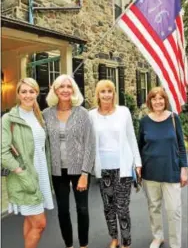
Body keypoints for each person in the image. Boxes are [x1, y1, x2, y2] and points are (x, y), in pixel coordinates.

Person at [43, 74, 95, 248]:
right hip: (57, 171)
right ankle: (69, 245)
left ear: (73, 89)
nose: (65, 90)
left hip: (79, 169)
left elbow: (90, 144)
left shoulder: (82, 113)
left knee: (82, 209)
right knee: (63, 211)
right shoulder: (46, 115)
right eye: (61, 86)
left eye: (68, 86)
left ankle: (83, 245)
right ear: (55, 90)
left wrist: (85, 173)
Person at [1, 78, 54, 248]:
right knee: (40, 223)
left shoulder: (38, 116)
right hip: (25, 177)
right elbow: (3, 152)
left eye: (31, 91)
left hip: (41, 175)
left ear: (37, 93)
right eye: (23, 91)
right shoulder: (9, 119)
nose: (27, 95)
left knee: (31, 221)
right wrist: (21, 173)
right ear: (18, 94)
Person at [89, 80, 142, 248]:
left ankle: (126, 242)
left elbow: (131, 137)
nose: (106, 94)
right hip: (103, 168)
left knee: (122, 207)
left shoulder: (123, 112)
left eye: (109, 91)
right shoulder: (91, 115)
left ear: (114, 94)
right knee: (108, 207)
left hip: (123, 166)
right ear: (97, 94)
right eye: (102, 91)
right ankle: (114, 238)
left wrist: (137, 162)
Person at [138, 87, 188, 248]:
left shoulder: (174, 118)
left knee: (174, 210)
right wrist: (138, 168)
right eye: (154, 99)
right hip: (150, 172)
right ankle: (158, 236)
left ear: (165, 100)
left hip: (171, 171)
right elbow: (140, 147)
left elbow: (181, 145)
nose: (157, 101)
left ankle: (175, 243)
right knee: (154, 207)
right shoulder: (144, 122)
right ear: (150, 102)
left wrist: (184, 168)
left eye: (160, 98)